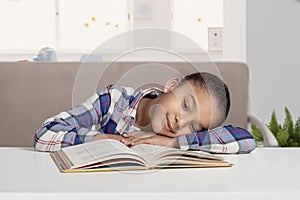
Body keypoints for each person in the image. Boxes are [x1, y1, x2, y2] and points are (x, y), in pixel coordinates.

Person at [33, 72, 231, 152]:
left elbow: (245, 140)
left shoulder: (181, 139)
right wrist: (109, 140)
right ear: (171, 86)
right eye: (186, 105)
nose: (181, 122)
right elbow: (45, 134)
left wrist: (174, 142)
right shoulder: (113, 100)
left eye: (193, 126)